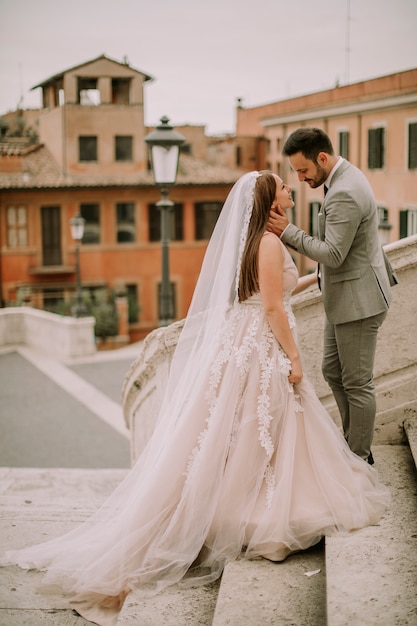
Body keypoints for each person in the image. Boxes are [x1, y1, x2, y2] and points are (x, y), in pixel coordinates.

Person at [1, 171, 390, 626]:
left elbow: (273, 292)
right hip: (263, 344)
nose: (290, 188)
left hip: (248, 340)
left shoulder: (257, 242)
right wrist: (294, 356)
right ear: (270, 201)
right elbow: (270, 307)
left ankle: (245, 506)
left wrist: (314, 279)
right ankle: (247, 515)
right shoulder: (267, 244)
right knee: (259, 431)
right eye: (284, 185)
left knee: (254, 431)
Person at [268, 128, 397, 465]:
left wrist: (288, 232)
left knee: (357, 382)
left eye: (303, 170)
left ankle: (358, 457)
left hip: (359, 302)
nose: (299, 178)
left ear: (322, 158)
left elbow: (334, 254)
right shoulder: (344, 175)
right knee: (332, 371)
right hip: (345, 297)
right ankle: (352, 441)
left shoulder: (345, 192)